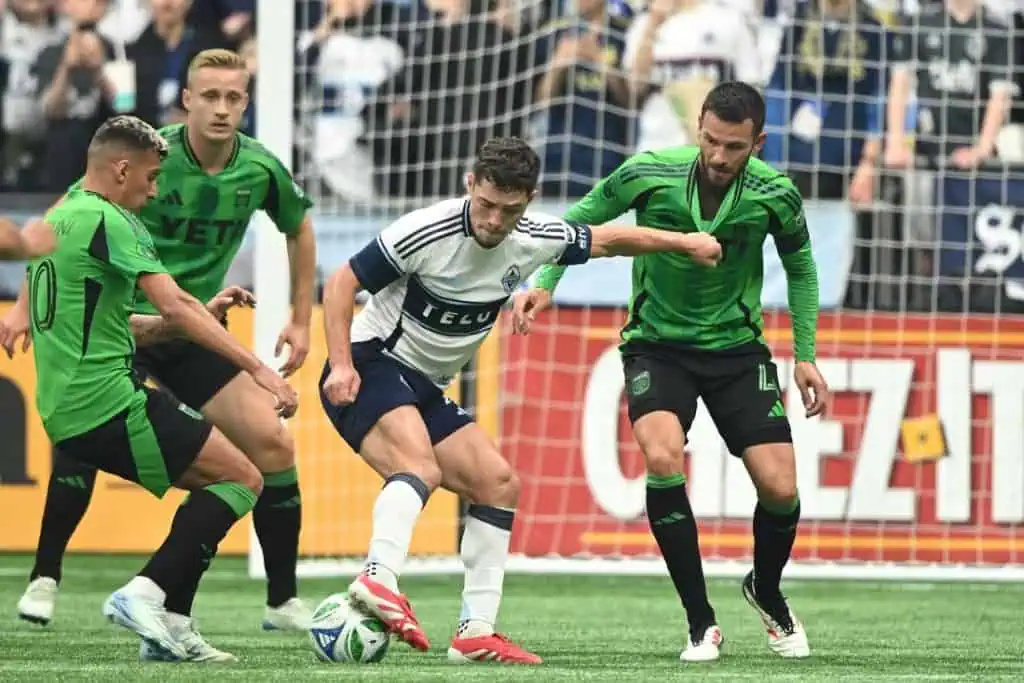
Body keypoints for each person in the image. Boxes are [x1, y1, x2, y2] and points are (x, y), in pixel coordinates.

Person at [319, 136, 723, 664]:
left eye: (508, 210)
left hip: (423, 386)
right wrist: (343, 364)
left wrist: (685, 243)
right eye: (485, 204)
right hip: (371, 364)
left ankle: (474, 633)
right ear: (470, 185)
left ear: (529, 199)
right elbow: (342, 282)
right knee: (420, 465)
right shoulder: (428, 229)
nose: (492, 220)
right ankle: (378, 578)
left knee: (499, 483)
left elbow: (610, 240)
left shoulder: (535, 236)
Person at [8, 48, 317, 658]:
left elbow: (143, 318)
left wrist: (230, 315)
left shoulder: (76, 215)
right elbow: (171, 307)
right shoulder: (118, 216)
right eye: (150, 180)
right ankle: (131, 590)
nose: (155, 191)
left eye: (234, 97)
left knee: (253, 457)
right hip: (111, 386)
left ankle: (184, 621)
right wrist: (259, 368)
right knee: (237, 477)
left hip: (114, 362)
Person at [514, 82, 829, 663]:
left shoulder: (776, 194)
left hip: (737, 350)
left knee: (781, 489)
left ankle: (766, 589)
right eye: (710, 140)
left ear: (758, 143)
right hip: (656, 346)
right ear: (698, 131)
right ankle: (700, 621)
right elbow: (581, 220)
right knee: (661, 456)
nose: (717, 156)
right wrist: (544, 285)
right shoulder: (648, 173)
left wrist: (805, 353)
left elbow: (801, 269)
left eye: (733, 146)